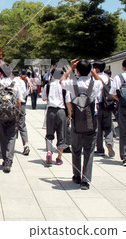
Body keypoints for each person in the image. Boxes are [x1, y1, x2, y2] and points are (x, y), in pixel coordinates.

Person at [60, 59, 103, 190]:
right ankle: (85, 180)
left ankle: (76, 175)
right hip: (91, 120)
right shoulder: (94, 85)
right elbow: (101, 82)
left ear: (77, 71)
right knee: (89, 150)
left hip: (77, 120)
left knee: (76, 149)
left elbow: (61, 81)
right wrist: (92, 71)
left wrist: (70, 68)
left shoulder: (73, 84)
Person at [0, 64, 22, 173]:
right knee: (11, 136)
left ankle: (4, 159)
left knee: (2, 136)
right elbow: (19, 101)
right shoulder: (16, 84)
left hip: (0, 115)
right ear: (10, 73)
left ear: (0, 72)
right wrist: (18, 112)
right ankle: (9, 159)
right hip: (12, 114)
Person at [42, 67, 72, 166]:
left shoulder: (47, 86)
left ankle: (49, 151)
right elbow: (68, 101)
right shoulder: (64, 86)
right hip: (61, 111)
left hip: (50, 111)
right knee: (61, 135)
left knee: (49, 134)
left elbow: (43, 98)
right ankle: (59, 158)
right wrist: (70, 113)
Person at [92, 61, 116, 158]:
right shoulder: (110, 79)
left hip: (97, 105)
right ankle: (109, 142)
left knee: (98, 128)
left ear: (96, 69)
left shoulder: (94, 79)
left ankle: (100, 149)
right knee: (108, 126)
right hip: (108, 104)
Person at [11, 69, 30, 155]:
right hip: (22, 104)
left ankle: (11, 146)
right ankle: (26, 145)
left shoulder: (12, 82)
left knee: (13, 125)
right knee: (22, 124)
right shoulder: (23, 82)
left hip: (14, 105)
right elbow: (26, 93)